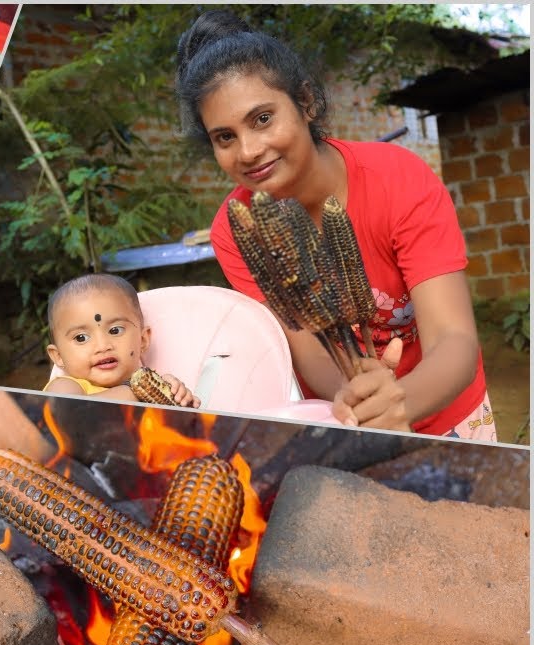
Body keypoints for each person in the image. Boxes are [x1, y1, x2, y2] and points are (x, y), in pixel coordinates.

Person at [176, 10, 494, 439]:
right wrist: (356, 395)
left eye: (262, 118)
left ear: (306, 102)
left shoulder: (398, 179)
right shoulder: (239, 229)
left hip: (445, 411)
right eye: (225, 137)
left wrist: (400, 400)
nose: (248, 150)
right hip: (348, 419)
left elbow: (453, 339)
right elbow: (307, 349)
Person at [44, 273, 199, 407]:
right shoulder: (65, 387)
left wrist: (181, 403)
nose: (103, 346)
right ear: (58, 356)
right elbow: (70, 412)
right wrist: (134, 391)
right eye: (81, 338)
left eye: (115, 330)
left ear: (143, 340)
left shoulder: (161, 385)